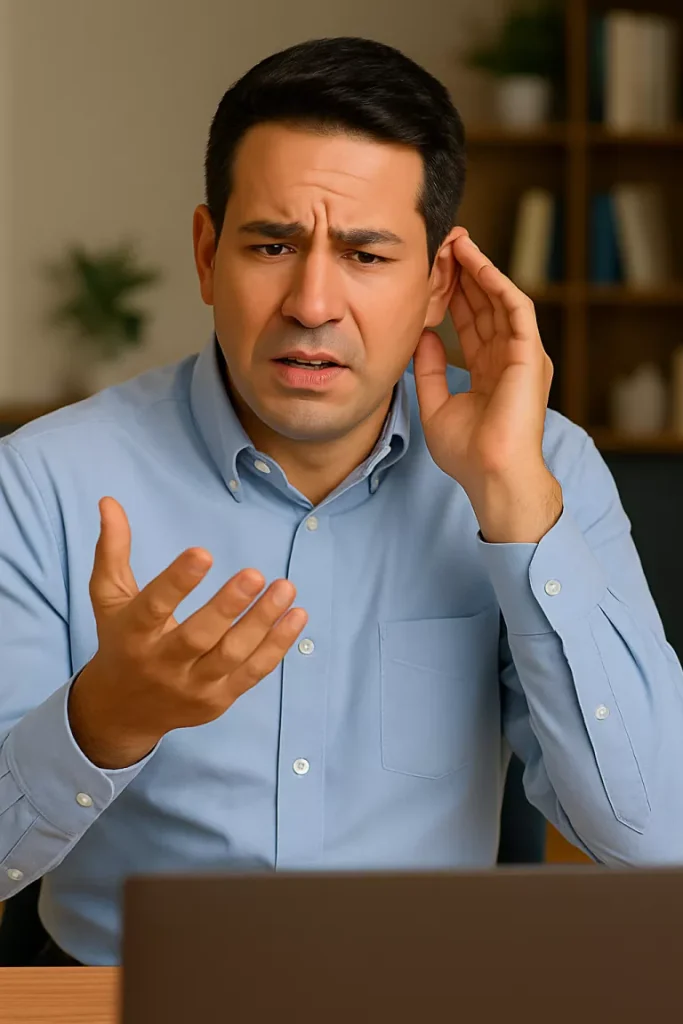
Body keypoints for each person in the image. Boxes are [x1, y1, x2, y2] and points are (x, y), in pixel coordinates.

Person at [1, 36, 682, 969]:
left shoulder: (543, 467)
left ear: (438, 282)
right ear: (207, 255)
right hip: (111, 996)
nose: (312, 302)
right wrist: (103, 722)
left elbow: (654, 843)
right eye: (272, 245)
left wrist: (516, 511)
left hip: (421, 995)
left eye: (366, 253)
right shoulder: (42, 480)